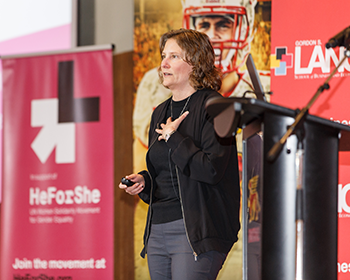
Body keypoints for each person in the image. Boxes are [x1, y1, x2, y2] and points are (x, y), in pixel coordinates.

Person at [120, 28, 240, 280]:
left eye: (173, 56)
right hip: (157, 229)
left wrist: (176, 138)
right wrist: (145, 181)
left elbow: (211, 170)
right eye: (164, 55)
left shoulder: (216, 107)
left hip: (196, 230)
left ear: (195, 63)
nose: (163, 63)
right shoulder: (160, 112)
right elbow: (168, 174)